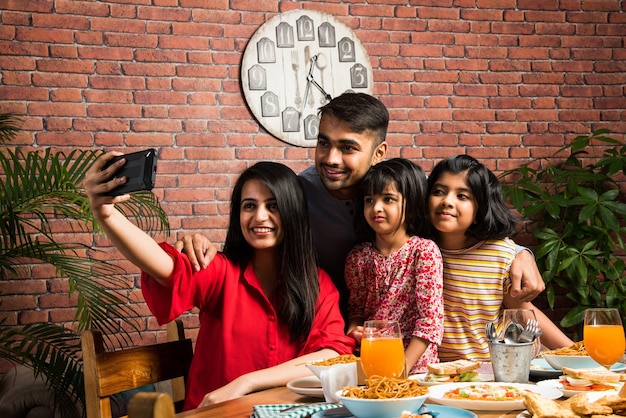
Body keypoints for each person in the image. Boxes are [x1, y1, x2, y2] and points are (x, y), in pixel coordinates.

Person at [177, 93, 546, 321]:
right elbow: (253, 237)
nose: (331, 158)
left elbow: (456, 230)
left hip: (399, 344)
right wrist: (199, 242)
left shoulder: (402, 191)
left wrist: (518, 252)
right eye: (324, 143)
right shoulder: (298, 193)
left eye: (348, 148)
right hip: (315, 333)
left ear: (378, 152)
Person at [84, 157, 355, 409]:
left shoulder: (317, 283)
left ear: (293, 212)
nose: (260, 216)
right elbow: (164, 267)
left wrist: (246, 382)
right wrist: (106, 214)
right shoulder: (220, 271)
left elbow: (330, 355)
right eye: (249, 206)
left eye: (273, 205)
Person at [426, 155, 574, 361]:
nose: (447, 201)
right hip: (431, 373)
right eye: (439, 191)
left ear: (479, 210)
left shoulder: (499, 254)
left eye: (462, 196)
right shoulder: (415, 249)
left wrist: (576, 353)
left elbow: (522, 310)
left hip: (487, 374)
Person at [344, 158, 444, 374]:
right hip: (371, 364)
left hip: (416, 370)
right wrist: (354, 329)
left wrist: (402, 368)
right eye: (369, 200)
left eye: (388, 199)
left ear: (412, 203)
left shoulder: (424, 252)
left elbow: (430, 321)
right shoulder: (358, 257)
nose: (376, 208)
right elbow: (357, 310)